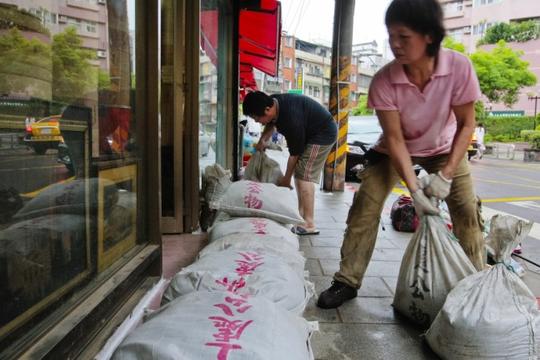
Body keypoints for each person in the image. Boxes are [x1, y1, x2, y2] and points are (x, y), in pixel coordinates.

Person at [317, 0, 485, 309]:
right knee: (365, 206)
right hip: (395, 151)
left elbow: (466, 124)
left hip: (445, 149)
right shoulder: (384, 81)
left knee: (466, 211)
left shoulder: (459, 68)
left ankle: (475, 287)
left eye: (403, 36)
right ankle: (347, 280)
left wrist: (446, 175)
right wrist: (415, 191)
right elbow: (394, 140)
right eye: (390, 35)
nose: (394, 44)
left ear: (429, 36)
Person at [242, 91, 337, 235]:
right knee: (300, 174)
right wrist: (262, 141)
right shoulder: (273, 102)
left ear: (267, 110)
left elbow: (294, 155)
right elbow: (271, 123)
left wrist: (286, 179)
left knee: (304, 175)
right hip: (309, 132)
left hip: (322, 134)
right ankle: (301, 217)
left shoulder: (291, 119)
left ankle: (309, 224)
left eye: (257, 118)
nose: (256, 122)